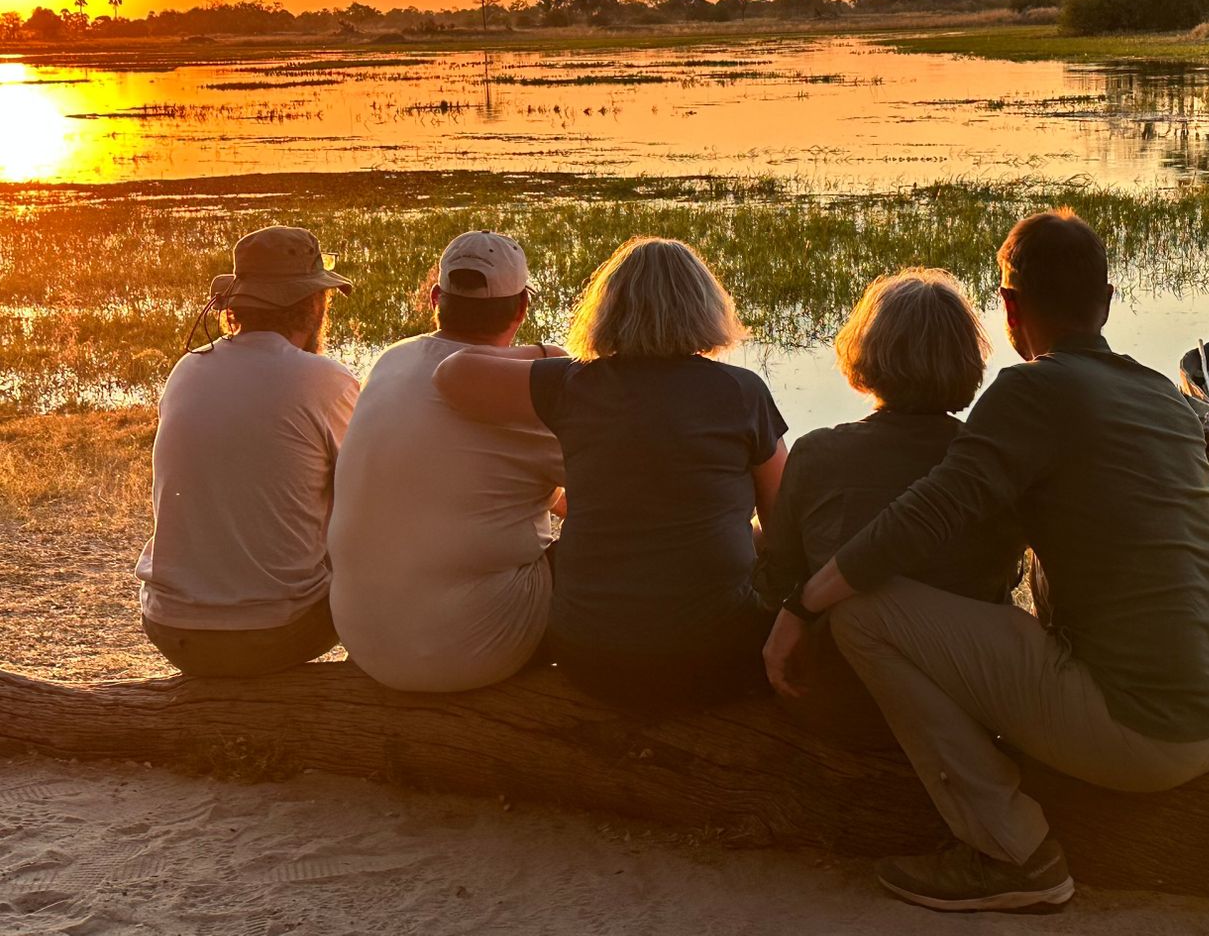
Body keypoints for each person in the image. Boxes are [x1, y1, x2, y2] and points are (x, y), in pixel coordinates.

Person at [764, 211, 1209, 912]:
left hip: (1145, 728)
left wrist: (800, 605)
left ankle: (1012, 854)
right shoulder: (1160, 395)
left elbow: (918, 519)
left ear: (1009, 306)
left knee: (862, 612)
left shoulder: (1033, 390)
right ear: (1109, 301)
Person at [435, 236, 788, 709]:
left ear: (608, 311)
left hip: (587, 659)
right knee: (761, 544)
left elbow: (452, 372)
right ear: (705, 308)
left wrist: (549, 356)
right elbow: (783, 517)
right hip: (713, 660)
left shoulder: (572, 383)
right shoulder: (741, 391)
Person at [756, 269, 1025, 738]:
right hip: (966, 708)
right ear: (967, 359)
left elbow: (780, 578)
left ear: (865, 353)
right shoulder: (992, 462)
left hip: (836, 707)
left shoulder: (818, 452)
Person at [327, 230, 566, 692]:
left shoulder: (390, 360)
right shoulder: (526, 397)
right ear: (522, 309)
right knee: (616, 546)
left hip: (364, 640)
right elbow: (611, 495)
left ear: (437, 297)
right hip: (466, 652)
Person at [136, 225, 359, 677]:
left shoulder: (187, 369)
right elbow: (372, 492)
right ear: (313, 305)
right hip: (276, 632)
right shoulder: (324, 380)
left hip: (169, 626)